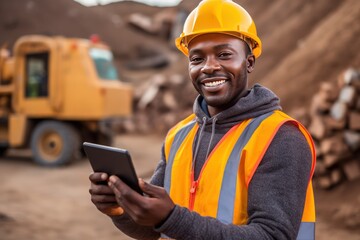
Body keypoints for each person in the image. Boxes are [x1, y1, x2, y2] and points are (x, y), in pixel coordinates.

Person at [89, 0, 316, 239]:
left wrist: (172, 218)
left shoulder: (280, 137)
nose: (209, 67)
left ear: (249, 62)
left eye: (224, 54)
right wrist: (118, 208)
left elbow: (273, 235)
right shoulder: (179, 136)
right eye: (196, 59)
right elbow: (151, 227)